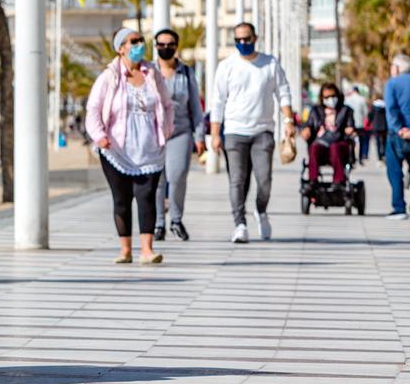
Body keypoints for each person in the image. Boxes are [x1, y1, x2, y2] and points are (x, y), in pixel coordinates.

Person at [85, 28, 173, 265]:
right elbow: (93, 109)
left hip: (149, 147)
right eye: (132, 42)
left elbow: (167, 103)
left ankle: (147, 250)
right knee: (122, 199)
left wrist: (167, 129)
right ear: (120, 48)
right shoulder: (109, 77)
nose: (138, 45)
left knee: (146, 196)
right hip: (116, 149)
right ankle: (125, 249)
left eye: (140, 40)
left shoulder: (152, 73)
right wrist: (99, 136)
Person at [211, 22, 296, 243]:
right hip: (234, 132)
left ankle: (261, 210)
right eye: (237, 40)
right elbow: (218, 101)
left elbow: (284, 92)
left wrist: (288, 121)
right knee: (237, 181)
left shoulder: (269, 63)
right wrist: (215, 133)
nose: (242, 43)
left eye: (246, 39)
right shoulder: (227, 66)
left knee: (264, 179)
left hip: (263, 131)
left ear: (255, 38)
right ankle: (240, 224)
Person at [152, 29, 204, 242]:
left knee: (177, 176)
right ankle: (158, 224)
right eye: (161, 44)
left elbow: (195, 106)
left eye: (170, 44)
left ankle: (176, 219)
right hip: (154, 133)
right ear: (155, 47)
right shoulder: (148, 71)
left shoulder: (186, 72)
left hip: (180, 131)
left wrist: (199, 135)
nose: (166, 48)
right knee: (157, 180)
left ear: (176, 46)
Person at [301, 83, 356, 187]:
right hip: (321, 143)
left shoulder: (346, 110)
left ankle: (338, 181)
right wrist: (306, 130)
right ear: (322, 98)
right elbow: (309, 125)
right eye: (327, 97)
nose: (330, 99)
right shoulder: (315, 111)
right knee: (314, 148)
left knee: (335, 148)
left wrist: (349, 130)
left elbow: (350, 126)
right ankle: (313, 181)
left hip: (339, 142)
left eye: (333, 96)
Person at [383, 54, 410, 219]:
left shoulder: (392, 84)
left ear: (398, 68)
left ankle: (399, 208)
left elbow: (391, 109)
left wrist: (400, 129)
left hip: (398, 135)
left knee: (394, 171)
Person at [345, 86, 369, 164]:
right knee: (361, 140)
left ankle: (351, 157)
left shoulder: (347, 99)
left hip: (349, 123)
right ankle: (360, 157)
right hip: (359, 123)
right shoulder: (362, 99)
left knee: (350, 140)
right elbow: (366, 112)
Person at [370, 98, 388, 166]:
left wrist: (369, 122)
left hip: (376, 127)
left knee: (377, 143)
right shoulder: (385, 106)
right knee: (384, 142)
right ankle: (384, 155)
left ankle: (379, 158)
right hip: (384, 127)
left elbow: (370, 116)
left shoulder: (374, 106)